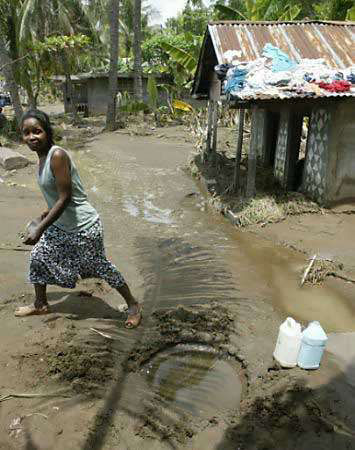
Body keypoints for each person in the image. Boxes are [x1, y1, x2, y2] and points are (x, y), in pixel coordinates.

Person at [15, 109, 142, 328]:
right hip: (61, 223)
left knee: (100, 266)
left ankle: (133, 305)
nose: (32, 137)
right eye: (27, 133)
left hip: (83, 225)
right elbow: (55, 196)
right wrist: (43, 216)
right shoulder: (42, 158)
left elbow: (65, 198)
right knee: (38, 256)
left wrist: (39, 229)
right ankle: (41, 303)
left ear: (47, 132)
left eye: (37, 131)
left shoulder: (57, 155)